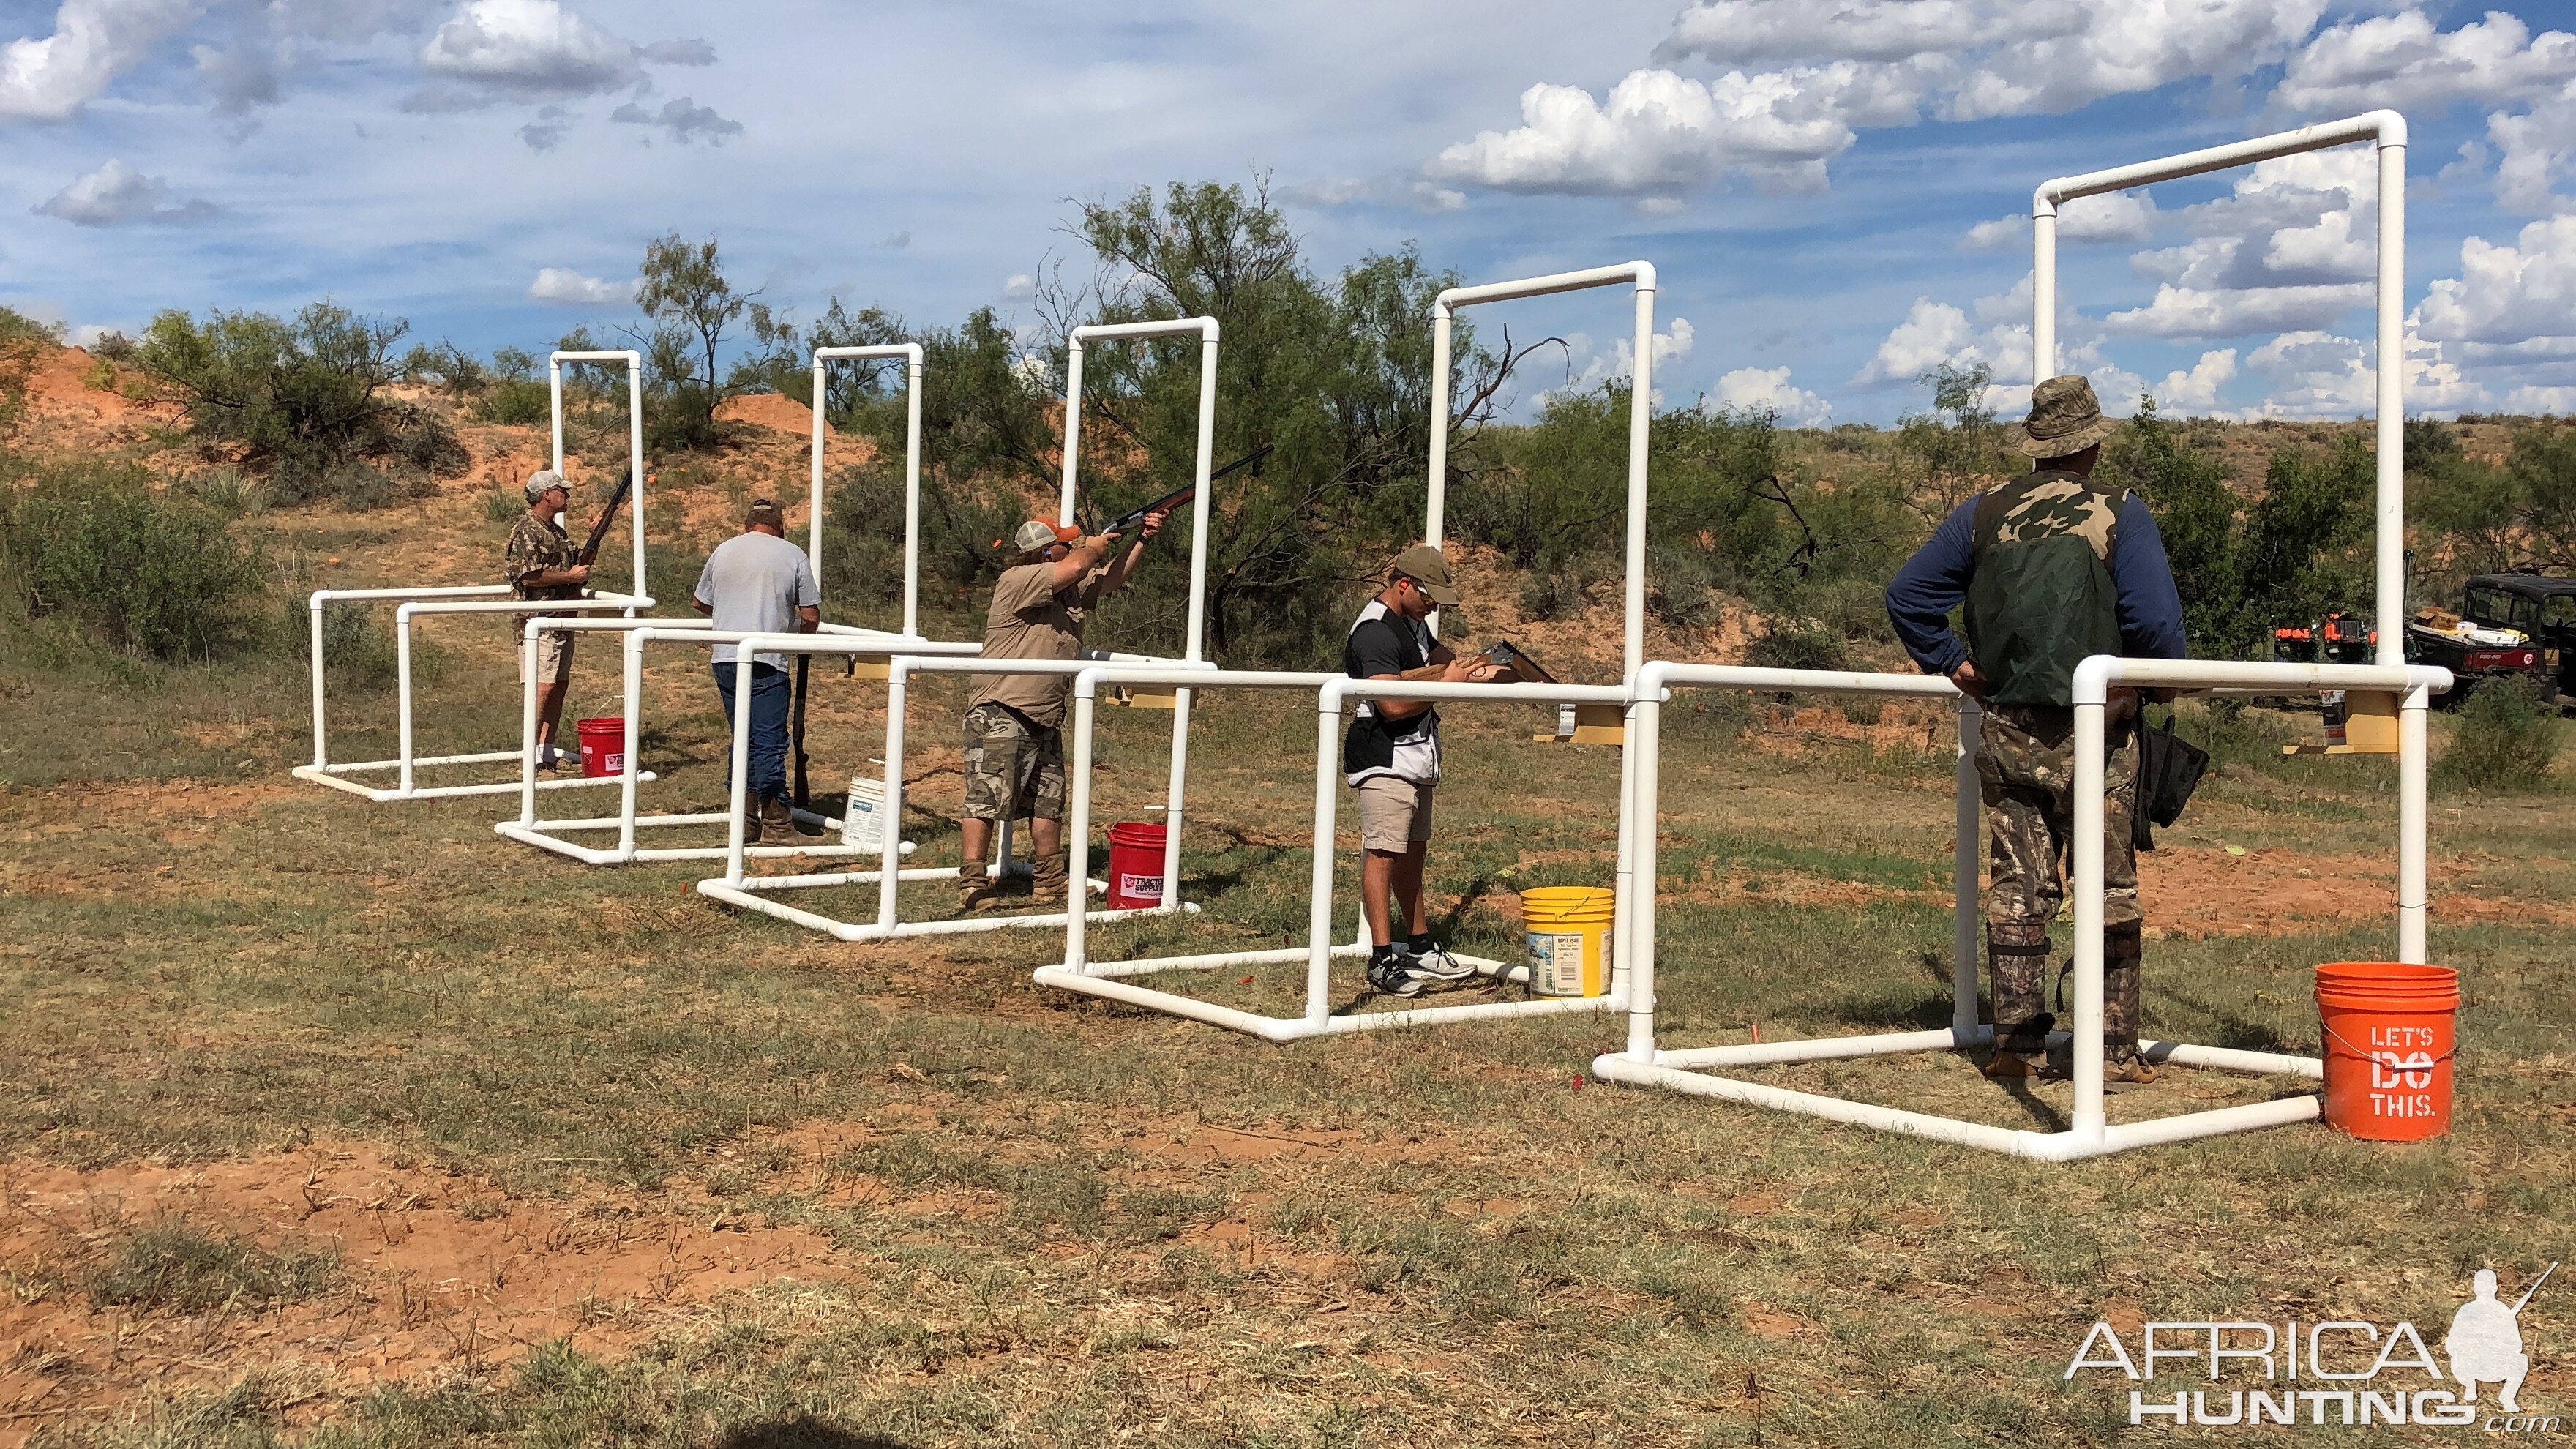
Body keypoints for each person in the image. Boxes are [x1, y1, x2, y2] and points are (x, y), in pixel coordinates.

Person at [1884, 375, 2186, 1086]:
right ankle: (2111, 1050)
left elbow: (1907, 596)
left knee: (2018, 886)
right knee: (2107, 888)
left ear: (2038, 446)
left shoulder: (1981, 515)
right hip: (2099, 736)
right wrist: (2157, 682)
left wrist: (1951, 661)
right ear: (2093, 444)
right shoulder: (2118, 513)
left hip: (2006, 730)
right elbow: (2155, 625)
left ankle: (2016, 1047)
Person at [957, 509, 1166, 911]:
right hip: (1003, 708)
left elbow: (1110, 579)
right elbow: (1080, 564)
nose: (1071, 547)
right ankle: (974, 883)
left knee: (1048, 802)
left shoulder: (1065, 586)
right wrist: (1092, 548)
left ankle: (1050, 881)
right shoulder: (1018, 580)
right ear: (1044, 553)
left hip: (1045, 712)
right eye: (1063, 544)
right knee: (986, 799)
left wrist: (1141, 540)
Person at [1342, 544, 1502, 997]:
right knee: (1383, 855)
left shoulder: (1412, 625)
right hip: (1385, 756)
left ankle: (1417, 943)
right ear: (1403, 584)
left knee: (1412, 854)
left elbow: (1442, 663)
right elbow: (1392, 704)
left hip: (1414, 755)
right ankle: (1381, 958)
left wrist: (1481, 670)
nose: (1433, 607)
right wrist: (1449, 685)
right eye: (1428, 597)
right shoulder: (1374, 633)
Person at [692, 498, 822, 844]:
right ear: (779, 526)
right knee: (768, 740)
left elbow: (700, 601)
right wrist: (798, 634)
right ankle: (777, 822)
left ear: (747, 525)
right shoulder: (792, 554)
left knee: (744, 738)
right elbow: (810, 615)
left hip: (725, 657)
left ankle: (746, 820)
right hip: (767, 659)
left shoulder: (723, 551)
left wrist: (732, 613)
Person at [504, 468, 592, 770]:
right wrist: (569, 576)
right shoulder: (527, 530)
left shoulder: (556, 531)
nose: (566, 496)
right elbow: (528, 575)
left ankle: (547, 750)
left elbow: (576, 561)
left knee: (558, 684)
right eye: (561, 491)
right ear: (546, 495)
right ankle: (532, 756)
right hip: (539, 620)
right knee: (542, 687)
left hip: (562, 619)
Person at [2446, 1268, 2536, 1412]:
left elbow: (2516, 1346)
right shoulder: (2469, 1310)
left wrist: (2495, 1343)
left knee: (2521, 1359)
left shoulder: (2499, 1312)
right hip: (2473, 1364)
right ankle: (2471, 1386)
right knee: (2521, 1360)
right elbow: (2453, 1344)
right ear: (2495, 1288)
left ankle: (2504, 1396)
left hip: (2487, 1366)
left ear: (2475, 1288)